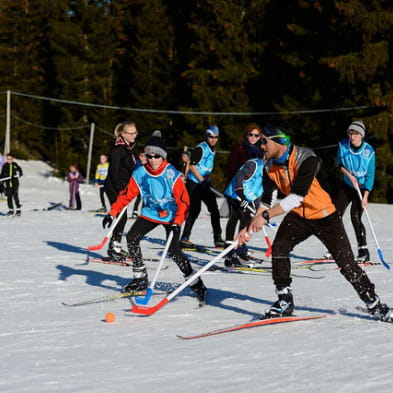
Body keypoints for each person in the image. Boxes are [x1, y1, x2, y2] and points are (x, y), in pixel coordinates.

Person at [236, 124, 393, 322]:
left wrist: (265, 217)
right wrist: (250, 226)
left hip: (325, 216)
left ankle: (375, 305)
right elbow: (267, 199)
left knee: (347, 264)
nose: (261, 146)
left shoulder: (307, 159)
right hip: (299, 216)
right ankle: (284, 300)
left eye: (264, 141)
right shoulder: (269, 165)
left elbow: (296, 197)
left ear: (278, 141)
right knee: (280, 248)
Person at [102, 131, 207, 304]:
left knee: (173, 251)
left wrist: (178, 223)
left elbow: (184, 202)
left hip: (172, 215)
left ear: (163, 156)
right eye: (149, 155)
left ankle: (197, 284)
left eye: (156, 156)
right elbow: (126, 195)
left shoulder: (171, 174)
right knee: (132, 237)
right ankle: (140, 278)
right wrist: (112, 212)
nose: (152, 159)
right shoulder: (141, 173)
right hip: (151, 212)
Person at [334, 120, 375, 263]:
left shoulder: (369, 152)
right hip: (347, 184)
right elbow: (338, 164)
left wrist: (365, 197)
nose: (353, 137)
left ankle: (363, 250)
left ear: (362, 135)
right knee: (336, 214)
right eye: (351, 133)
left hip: (362, 188)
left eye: (356, 134)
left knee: (355, 216)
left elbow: (370, 176)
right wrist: (349, 176)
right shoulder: (343, 146)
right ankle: (337, 248)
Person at [180, 125, 225, 249]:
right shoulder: (201, 148)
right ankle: (184, 238)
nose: (213, 139)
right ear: (207, 136)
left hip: (204, 183)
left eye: (216, 137)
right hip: (194, 183)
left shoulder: (213, 149)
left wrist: (206, 180)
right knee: (195, 210)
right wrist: (201, 180)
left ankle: (218, 238)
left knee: (214, 209)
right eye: (211, 137)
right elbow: (192, 165)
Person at [104, 121, 138, 260]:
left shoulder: (127, 148)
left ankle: (116, 245)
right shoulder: (118, 150)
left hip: (123, 187)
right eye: (131, 133)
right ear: (123, 134)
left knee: (122, 217)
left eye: (135, 132)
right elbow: (114, 172)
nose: (134, 135)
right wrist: (121, 191)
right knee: (121, 216)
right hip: (114, 188)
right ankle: (114, 247)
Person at [224, 157, 264, 267]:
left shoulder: (272, 172)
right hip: (235, 194)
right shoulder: (255, 164)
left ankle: (237, 252)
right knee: (238, 218)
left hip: (247, 198)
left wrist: (257, 209)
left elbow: (259, 191)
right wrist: (240, 192)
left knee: (247, 217)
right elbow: (240, 175)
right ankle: (232, 251)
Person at [130, 151, 147, 218]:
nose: (142, 158)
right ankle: (135, 211)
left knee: (144, 198)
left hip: (145, 184)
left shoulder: (148, 164)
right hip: (138, 184)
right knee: (139, 198)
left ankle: (144, 212)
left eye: (143, 156)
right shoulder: (137, 163)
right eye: (141, 156)